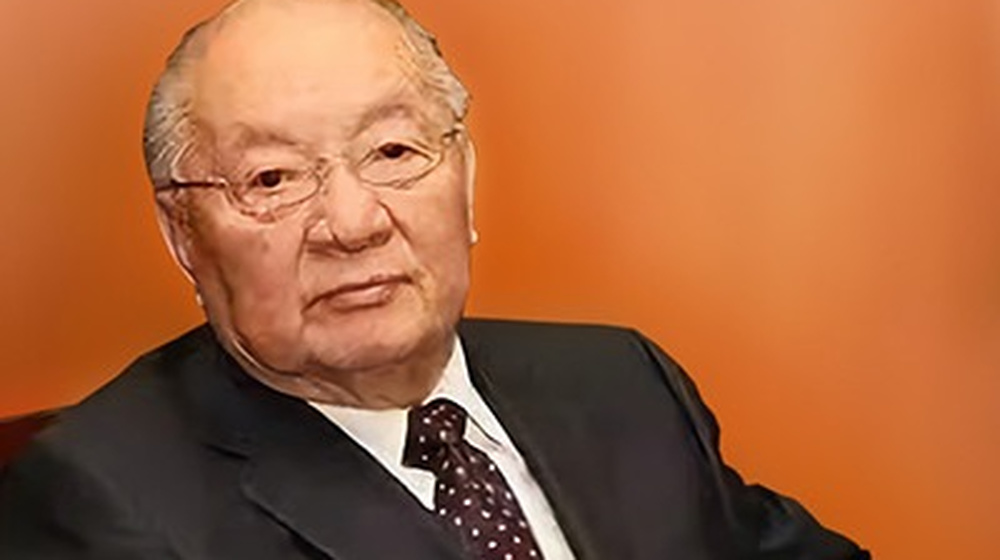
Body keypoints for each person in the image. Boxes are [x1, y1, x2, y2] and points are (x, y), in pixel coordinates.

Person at [0, 0, 869, 558]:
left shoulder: (622, 381)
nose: (353, 223)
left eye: (393, 151)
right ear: (183, 233)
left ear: (465, 180)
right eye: (272, 178)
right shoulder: (96, 501)